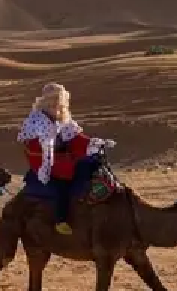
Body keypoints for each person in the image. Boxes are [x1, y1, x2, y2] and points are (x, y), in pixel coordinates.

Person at [18, 83, 114, 235]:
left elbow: (76, 138)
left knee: (93, 160)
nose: (56, 103)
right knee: (61, 186)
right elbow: (34, 148)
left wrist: (95, 143)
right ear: (45, 101)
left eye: (58, 99)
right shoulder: (36, 121)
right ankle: (60, 220)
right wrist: (53, 154)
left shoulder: (62, 118)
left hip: (64, 157)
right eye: (53, 99)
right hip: (45, 162)